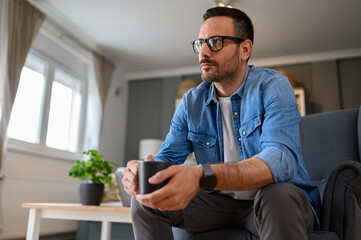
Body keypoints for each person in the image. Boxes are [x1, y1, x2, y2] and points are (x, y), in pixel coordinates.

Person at [122, 6, 320, 240]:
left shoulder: (273, 86)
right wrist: (142, 175)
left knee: (277, 196)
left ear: (244, 49)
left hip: (271, 202)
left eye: (215, 42)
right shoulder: (191, 102)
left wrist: (201, 175)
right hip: (217, 205)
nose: (204, 51)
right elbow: (166, 161)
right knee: (145, 199)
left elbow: (280, 161)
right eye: (200, 43)